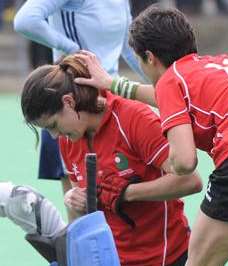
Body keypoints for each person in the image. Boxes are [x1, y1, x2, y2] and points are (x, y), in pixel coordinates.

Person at [74, 4, 228, 266]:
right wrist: (112, 85)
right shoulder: (215, 65)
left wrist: (168, 155)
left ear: (150, 57)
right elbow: (173, 100)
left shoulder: (169, 81)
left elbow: (185, 162)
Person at [20, 55, 203, 266]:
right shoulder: (68, 139)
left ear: (68, 102)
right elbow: (92, 203)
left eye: (52, 125)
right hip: (109, 258)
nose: (53, 136)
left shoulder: (133, 118)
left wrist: (126, 194)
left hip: (165, 257)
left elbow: (190, 181)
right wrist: (77, 201)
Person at [13, 0, 145, 220]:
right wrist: (72, 50)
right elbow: (25, 20)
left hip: (112, 100)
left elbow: (128, 49)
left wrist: (161, 88)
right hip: (74, 105)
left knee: (120, 205)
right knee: (83, 215)